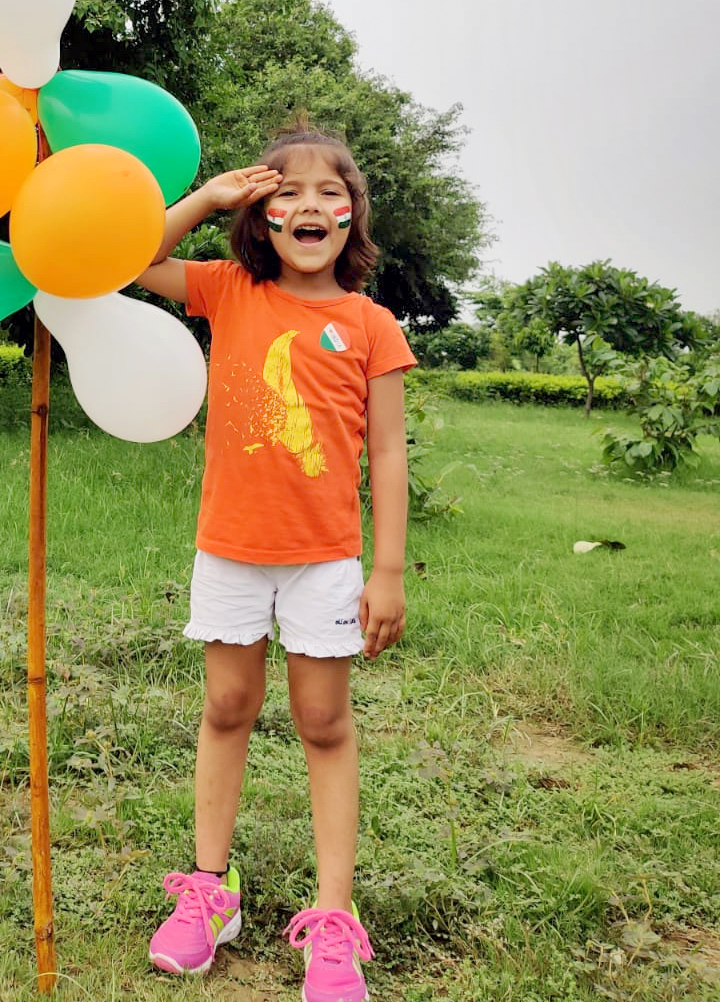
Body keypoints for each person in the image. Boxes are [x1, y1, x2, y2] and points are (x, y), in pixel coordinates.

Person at [137, 121, 415, 1002]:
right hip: (230, 548)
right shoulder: (229, 290)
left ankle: (334, 923)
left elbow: (391, 455)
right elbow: (120, 262)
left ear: (352, 217)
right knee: (226, 706)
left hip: (326, 563)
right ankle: (209, 894)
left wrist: (390, 572)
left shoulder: (371, 325)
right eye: (285, 190)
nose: (309, 204)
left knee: (323, 723)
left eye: (330, 192)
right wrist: (205, 198)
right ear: (261, 213)